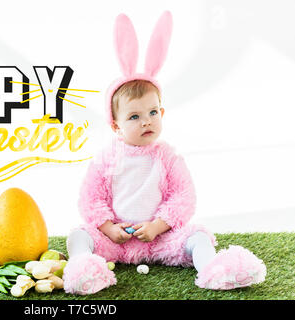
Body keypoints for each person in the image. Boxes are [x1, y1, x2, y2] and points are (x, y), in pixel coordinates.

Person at [62, 11, 266, 295]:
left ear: (162, 112)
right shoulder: (107, 158)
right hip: (117, 239)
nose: (146, 120)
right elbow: (91, 198)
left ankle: (214, 270)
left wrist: (158, 226)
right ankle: (84, 270)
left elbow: (182, 196)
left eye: (152, 112)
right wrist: (109, 229)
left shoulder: (167, 157)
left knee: (197, 235)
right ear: (115, 126)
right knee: (79, 234)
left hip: (160, 238)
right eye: (134, 117)